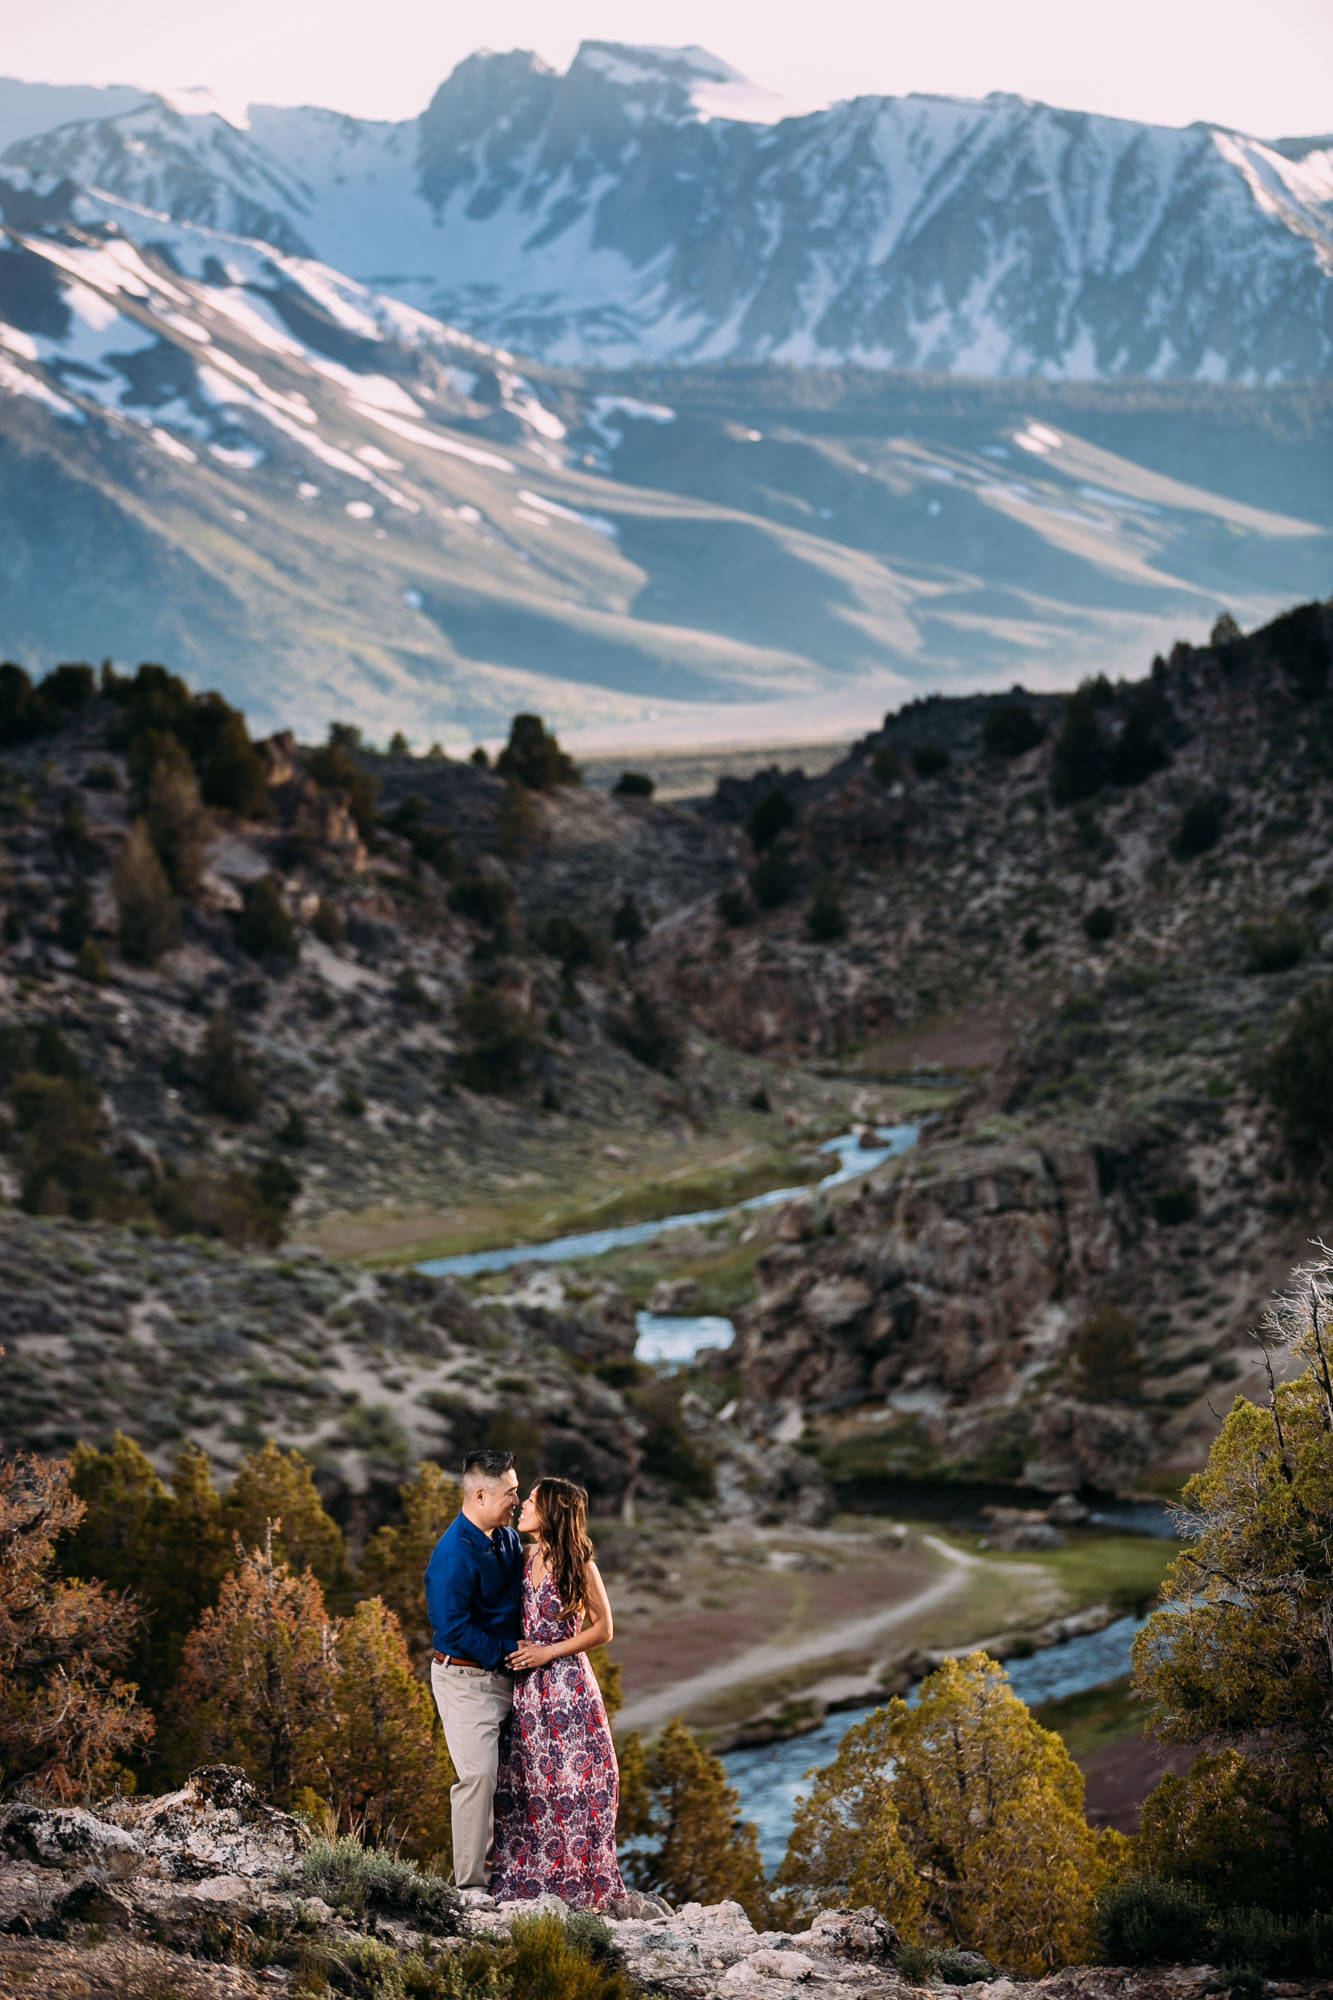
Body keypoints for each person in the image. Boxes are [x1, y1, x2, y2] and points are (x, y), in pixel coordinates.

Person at [491, 1476, 627, 1907]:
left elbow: (604, 1628)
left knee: (581, 1784)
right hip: (528, 1693)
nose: (523, 1506)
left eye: (531, 1500)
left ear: (551, 1512)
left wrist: (547, 1653)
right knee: (530, 1784)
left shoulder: (579, 1562)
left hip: (569, 1687)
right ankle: (535, 1885)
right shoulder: (524, 1554)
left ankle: (583, 1885)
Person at [424, 1448, 522, 1895]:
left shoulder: (507, 1539)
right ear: (481, 1495)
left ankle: (518, 1874)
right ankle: (470, 1888)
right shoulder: (451, 1554)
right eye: (511, 1493)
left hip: (510, 1676)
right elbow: (454, 1628)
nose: (516, 1501)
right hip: (464, 1682)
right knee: (478, 1776)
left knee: (519, 1776)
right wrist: (511, 1651)